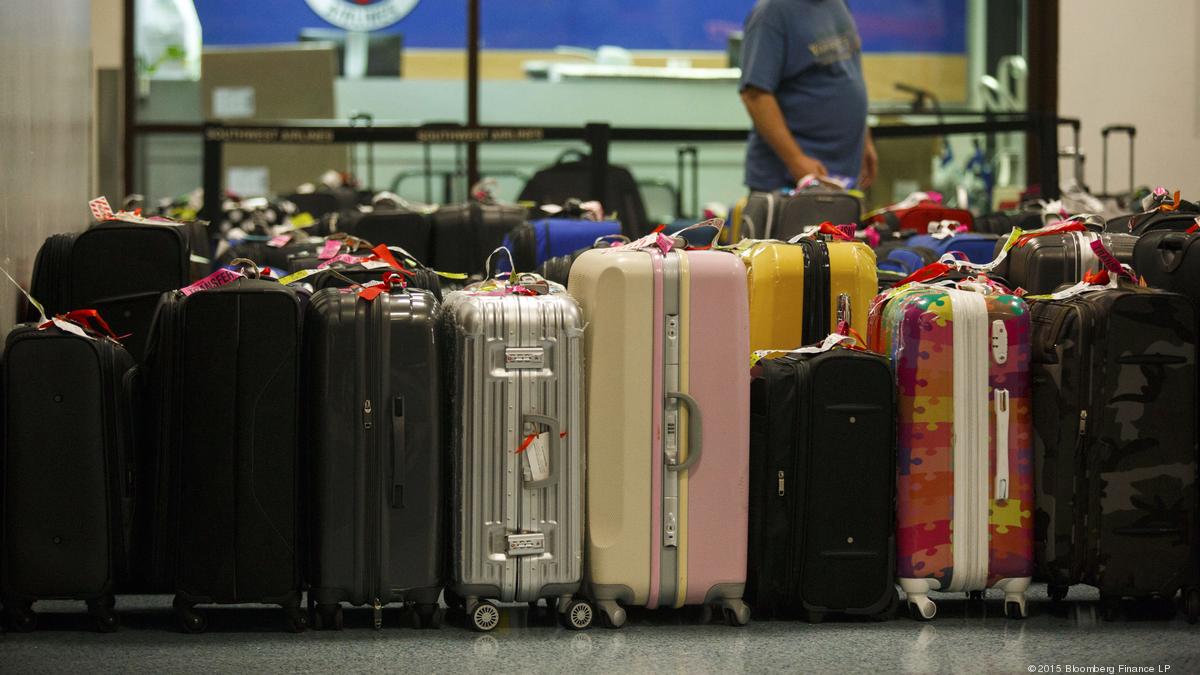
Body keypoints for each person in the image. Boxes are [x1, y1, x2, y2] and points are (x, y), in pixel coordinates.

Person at [739, 0, 877, 192]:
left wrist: (865, 137)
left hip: (842, 177)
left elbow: (849, 72)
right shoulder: (771, 12)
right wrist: (796, 159)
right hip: (791, 183)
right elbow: (755, 95)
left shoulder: (838, 3)